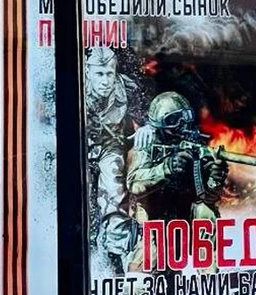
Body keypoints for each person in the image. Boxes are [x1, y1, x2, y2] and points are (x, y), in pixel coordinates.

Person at [126, 91, 228, 272]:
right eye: (173, 120)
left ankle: (208, 278)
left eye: (184, 117)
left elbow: (208, 198)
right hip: (155, 225)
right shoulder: (146, 146)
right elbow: (134, 184)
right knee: (138, 282)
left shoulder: (196, 147)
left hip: (186, 223)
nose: (181, 125)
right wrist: (167, 168)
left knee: (205, 213)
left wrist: (215, 179)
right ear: (159, 124)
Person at [84, 47, 154, 272]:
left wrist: (146, 127)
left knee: (114, 192)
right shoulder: (71, 87)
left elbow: (145, 115)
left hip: (110, 146)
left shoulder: (127, 88)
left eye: (109, 74)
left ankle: (116, 251)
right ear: (87, 72)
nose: (105, 81)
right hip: (77, 146)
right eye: (99, 74)